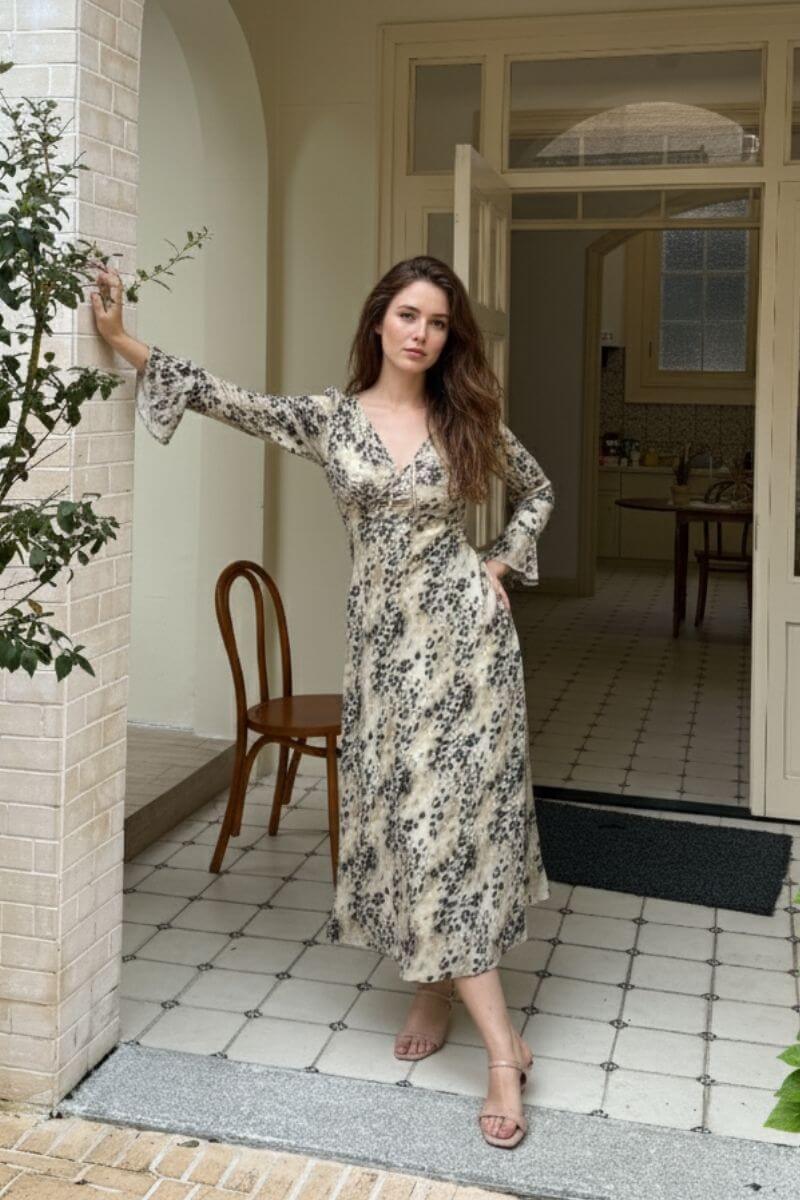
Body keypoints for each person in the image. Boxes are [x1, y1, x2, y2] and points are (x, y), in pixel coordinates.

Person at [92, 255, 555, 1150]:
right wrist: (120, 339)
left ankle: (503, 1053)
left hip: (467, 653)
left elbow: (536, 492)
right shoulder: (328, 419)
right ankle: (433, 985)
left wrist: (496, 562)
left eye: (438, 323)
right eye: (408, 315)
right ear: (379, 319)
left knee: (450, 828)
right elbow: (230, 400)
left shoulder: (467, 419)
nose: (422, 334)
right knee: (413, 825)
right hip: (384, 659)